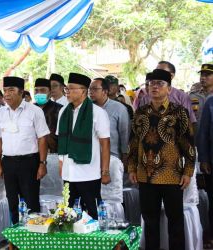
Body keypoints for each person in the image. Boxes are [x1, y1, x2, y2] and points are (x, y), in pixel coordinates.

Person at [128, 69, 195, 250]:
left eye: (159, 84)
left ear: (169, 89)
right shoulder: (140, 112)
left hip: (172, 174)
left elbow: (188, 144)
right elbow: (133, 143)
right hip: (145, 175)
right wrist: (132, 168)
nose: (154, 87)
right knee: (149, 221)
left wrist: (188, 171)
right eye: (151, 83)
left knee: (175, 221)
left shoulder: (178, 112)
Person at [0, 76, 50, 224]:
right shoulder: (0, 113)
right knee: (12, 202)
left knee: (31, 201)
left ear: (21, 92)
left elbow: (42, 138)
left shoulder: (35, 111)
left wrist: (42, 163)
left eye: (11, 90)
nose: (7, 94)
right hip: (8, 163)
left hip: (29, 162)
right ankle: (16, 240)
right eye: (5, 90)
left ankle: (33, 238)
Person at [57, 73, 111, 220]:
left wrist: (105, 171)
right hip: (69, 173)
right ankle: (73, 242)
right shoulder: (63, 112)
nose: (67, 92)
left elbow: (105, 143)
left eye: (71, 89)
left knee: (92, 214)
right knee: (69, 215)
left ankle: (95, 243)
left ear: (83, 91)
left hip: (89, 173)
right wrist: (61, 163)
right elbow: (62, 141)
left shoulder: (97, 113)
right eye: (67, 88)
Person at [89, 78, 129, 201]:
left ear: (105, 91)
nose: (91, 92)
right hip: (91, 158)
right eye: (90, 89)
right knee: (92, 195)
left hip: (112, 159)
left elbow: (125, 134)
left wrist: (125, 157)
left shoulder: (119, 108)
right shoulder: (87, 108)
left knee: (112, 196)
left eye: (95, 89)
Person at [196, 64, 213, 246]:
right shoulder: (209, 102)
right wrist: (204, 159)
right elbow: (203, 132)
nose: (204, 77)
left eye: (208, 75)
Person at [34, 78, 63, 153]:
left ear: (50, 92)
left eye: (43, 90)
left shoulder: (60, 109)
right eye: (36, 90)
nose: (39, 93)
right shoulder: (29, 109)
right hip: (32, 154)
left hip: (54, 153)